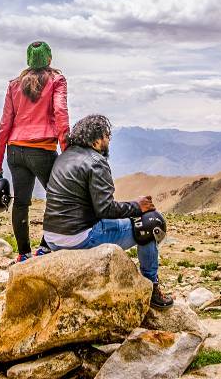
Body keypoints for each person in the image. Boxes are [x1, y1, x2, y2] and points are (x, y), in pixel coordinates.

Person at [41, 114, 174, 308]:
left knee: (134, 221)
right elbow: (105, 209)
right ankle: (151, 288)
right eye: (106, 135)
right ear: (96, 141)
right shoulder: (96, 161)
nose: (109, 139)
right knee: (151, 223)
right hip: (79, 237)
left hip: (52, 237)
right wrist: (137, 206)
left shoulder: (65, 156)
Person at [0, 41, 70, 263]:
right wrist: (67, 150)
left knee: (21, 202)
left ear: (28, 60)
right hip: (42, 149)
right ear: (49, 59)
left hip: (15, 150)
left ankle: (23, 254)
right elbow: (61, 113)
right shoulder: (57, 80)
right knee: (59, 197)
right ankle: (45, 247)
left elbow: (5, 123)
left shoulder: (14, 85)